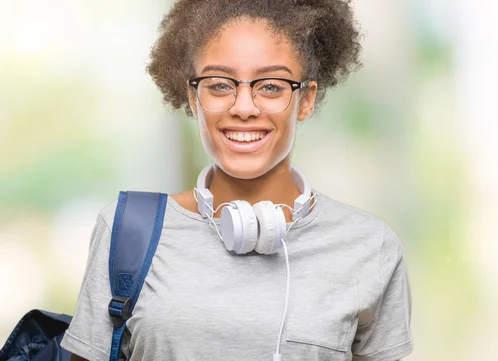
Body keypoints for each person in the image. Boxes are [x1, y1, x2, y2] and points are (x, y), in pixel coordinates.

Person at [61, 0, 413, 360]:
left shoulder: (370, 247)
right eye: (219, 85)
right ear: (193, 98)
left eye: (272, 86)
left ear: (305, 99)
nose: (244, 107)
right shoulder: (127, 233)